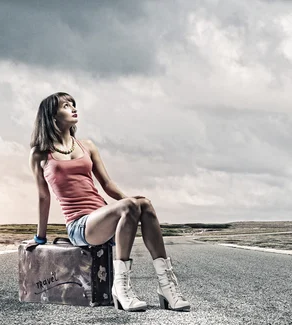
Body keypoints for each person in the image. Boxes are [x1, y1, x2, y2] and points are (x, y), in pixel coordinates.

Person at [28, 92, 190, 312]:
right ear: (52, 116)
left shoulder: (87, 146)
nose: (74, 108)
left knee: (145, 204)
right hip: (80, 226)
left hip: (104, 217)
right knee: (133, 205)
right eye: (66, 106)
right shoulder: (40, 153)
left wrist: (133, 204)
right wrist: (40, 237)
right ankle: (121, 288)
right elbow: (43, 196)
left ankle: (167, 287)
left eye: (73, 104)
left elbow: (107, 184)